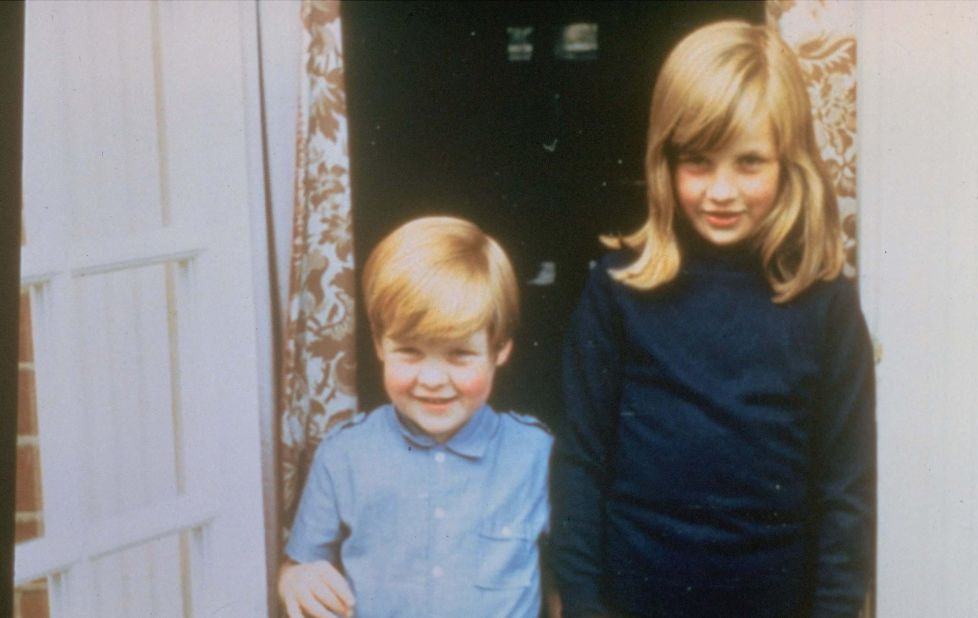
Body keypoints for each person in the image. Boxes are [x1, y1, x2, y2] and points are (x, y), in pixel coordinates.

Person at [549, 20, 875, 618]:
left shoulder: (826, 304)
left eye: (749, 163)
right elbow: (579, 462)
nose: (721, 191)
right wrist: (583, 602)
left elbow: (846, 493)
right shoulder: (618, 290)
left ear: (789, 164)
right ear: (664, 163)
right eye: (698, 162)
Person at [280, 216, 553, 618]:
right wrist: (293, 579)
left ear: (500, 349)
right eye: (409, 351)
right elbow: (300, 565)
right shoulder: (343, 455)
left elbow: (572, 581)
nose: (432, 380)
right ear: (378, 344)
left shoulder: (537, 454)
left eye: (459, 354)